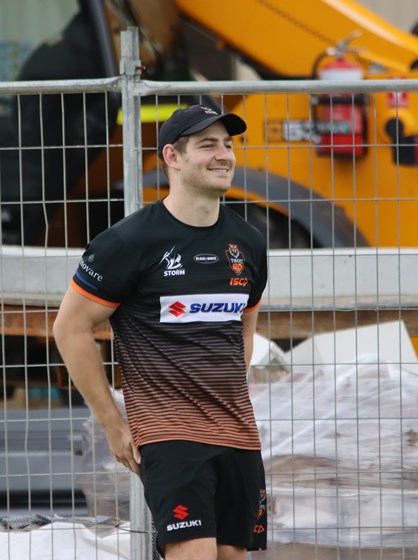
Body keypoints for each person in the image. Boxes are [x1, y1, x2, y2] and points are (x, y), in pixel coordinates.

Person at [52, 105, 268, 560]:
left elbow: (245, 325)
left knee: (233, 556)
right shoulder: (128, 242)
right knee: (194, 553)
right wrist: (114, 425)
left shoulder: (248, 242)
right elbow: (70, 329)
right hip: (169, 433)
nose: (223, 155)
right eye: (207, 145)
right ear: (172, 156)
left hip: (238, 433)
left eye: (227, 145)